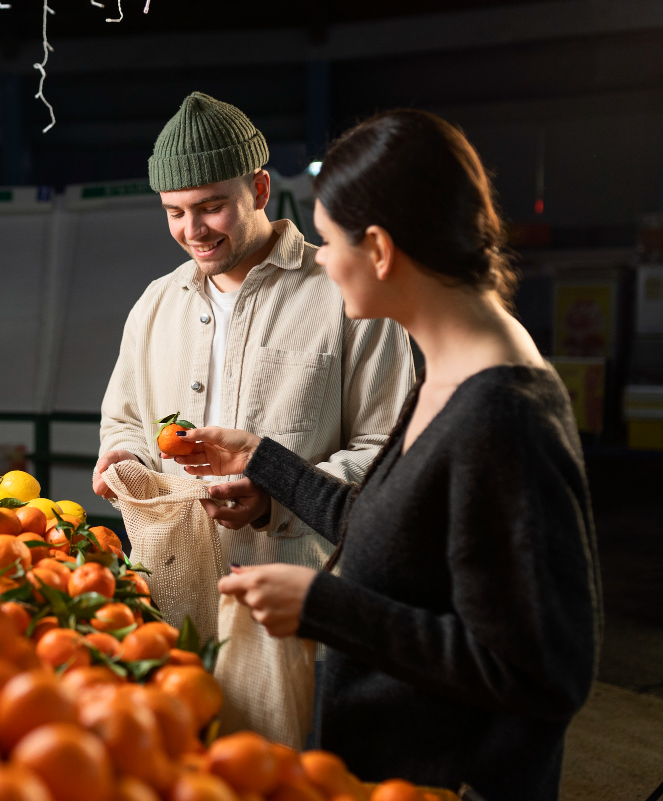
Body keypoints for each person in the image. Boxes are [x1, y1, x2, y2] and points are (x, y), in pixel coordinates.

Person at [169, 110, 602, 800]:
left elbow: (543, 672)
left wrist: (325, 606)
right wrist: (265, 459)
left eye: (329, 239)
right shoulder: (450, 369)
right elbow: (394, 531)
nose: (317, 256)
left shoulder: (502, 414)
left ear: (378, 248)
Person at [94, 91, 414, 578]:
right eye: (174, 212)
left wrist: (275, 500)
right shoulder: (155, 304)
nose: (192, 231)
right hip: (168, 595)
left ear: (260, 190)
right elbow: (126, 421)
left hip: (302, 606)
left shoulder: (350, 296)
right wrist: (125, 456)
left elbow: (388, 450)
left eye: (210, 207)